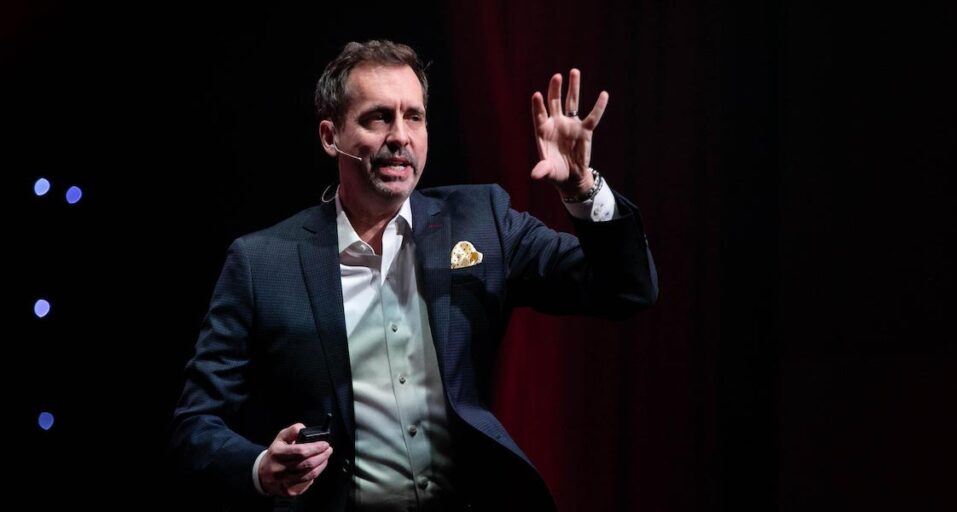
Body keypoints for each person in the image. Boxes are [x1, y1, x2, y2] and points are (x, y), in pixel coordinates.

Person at [170, 39, 657, 512]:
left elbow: (625, 289)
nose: (400, 135)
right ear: (330, 137)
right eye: (379, 117)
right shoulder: (262, 262)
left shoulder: (482, 220)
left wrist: (582, 187)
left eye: (414, 117)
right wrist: (260, 468)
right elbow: (196, 424)